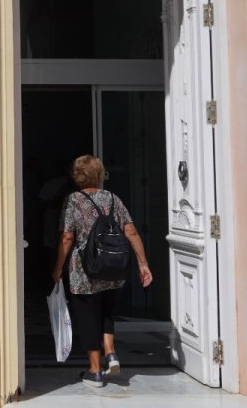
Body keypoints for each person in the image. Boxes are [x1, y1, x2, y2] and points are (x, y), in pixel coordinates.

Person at [50, 154, 153, 388]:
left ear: (77, 176)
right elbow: (132, 232)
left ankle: (95, 371)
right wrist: (143, 264)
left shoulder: (74, 200)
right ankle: (111, 352)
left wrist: (57, 269)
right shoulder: (113, 199)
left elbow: (67, 237)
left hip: (83, 271)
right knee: (107, 311)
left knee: (87, 318)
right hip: (113, 270)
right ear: (99, 174)